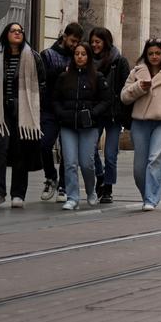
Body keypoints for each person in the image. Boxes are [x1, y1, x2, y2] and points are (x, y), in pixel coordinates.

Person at [0, 22, 44, 208]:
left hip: (23, 110)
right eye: (13, 30)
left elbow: (42, 83)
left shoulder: (32, 56)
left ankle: (18, 194)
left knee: (20, 150)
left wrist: (34, 105)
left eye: (20, 31)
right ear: (6, 34)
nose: (17, 33)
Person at [120, 39, 161, 211]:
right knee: (139, 168)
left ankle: (151, 198)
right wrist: (139, 87)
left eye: (158, 53)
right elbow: (124, 96)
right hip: (140, 123)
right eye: (151, 53)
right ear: (146, 55)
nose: (154, 56)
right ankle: (147, 195)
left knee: (155, 159)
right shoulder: (136, 72)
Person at [52, 38, 109, 209]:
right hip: (68, 125)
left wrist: (93, 113)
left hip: (89, 126)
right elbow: (55, 99)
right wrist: (61, 113)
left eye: (83, 54)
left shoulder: (97, 77)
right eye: (76, 54)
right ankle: (73, 197)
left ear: (89, 57)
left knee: (87, 163)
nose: (79, 57)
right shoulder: (64, 77)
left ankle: (91, 190)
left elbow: (105, 100)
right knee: (69, 162)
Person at [38, 22, 83, 202]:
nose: (74, 45)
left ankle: (64, 185)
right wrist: (62, 72)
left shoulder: (78, 56)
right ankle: (51, 177)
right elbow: (42, 78)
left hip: (70, 109)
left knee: (68, 151)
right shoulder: (48, 55)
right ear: (64, 36)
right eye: (72, 40)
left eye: (77, 41)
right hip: (49, 108)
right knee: (43, 145)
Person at [88, 26, 128, 203]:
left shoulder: (119, 61)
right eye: (92, 42)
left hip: (113, 114)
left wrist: (122, 111)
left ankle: (108, 188)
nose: (94, 45)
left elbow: (126, 89)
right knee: (90, 148)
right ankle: (100, 176)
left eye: (97, 42)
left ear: (106, 41)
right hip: (95, 113)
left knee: (111, 154)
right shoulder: (88, 61)